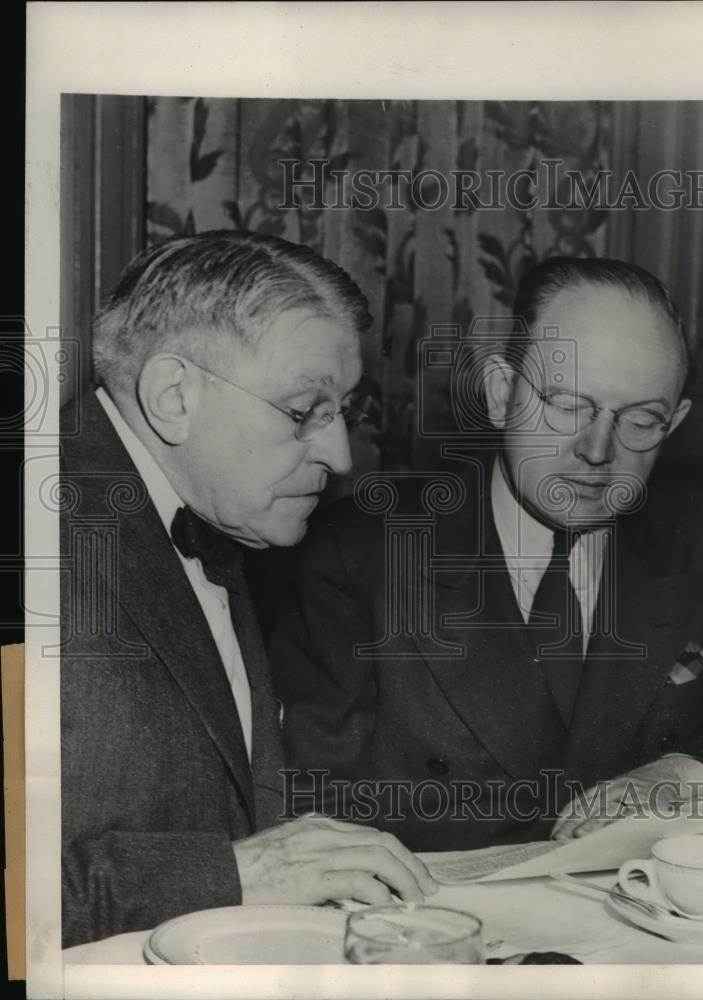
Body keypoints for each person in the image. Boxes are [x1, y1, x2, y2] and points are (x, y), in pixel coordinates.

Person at [270, 256, 703, 852]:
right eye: (568, 405)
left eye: (641, 420)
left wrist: (686, 773)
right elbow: (311, 809)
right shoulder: (354, 555)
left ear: (675, 422)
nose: (597, 450)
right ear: (501, 394)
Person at [60, 231, 435, 948]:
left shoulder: (215, 512)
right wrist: (231, 874)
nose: (339, 455)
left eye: (343, 412)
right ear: (174, 396)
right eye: (303, 412)